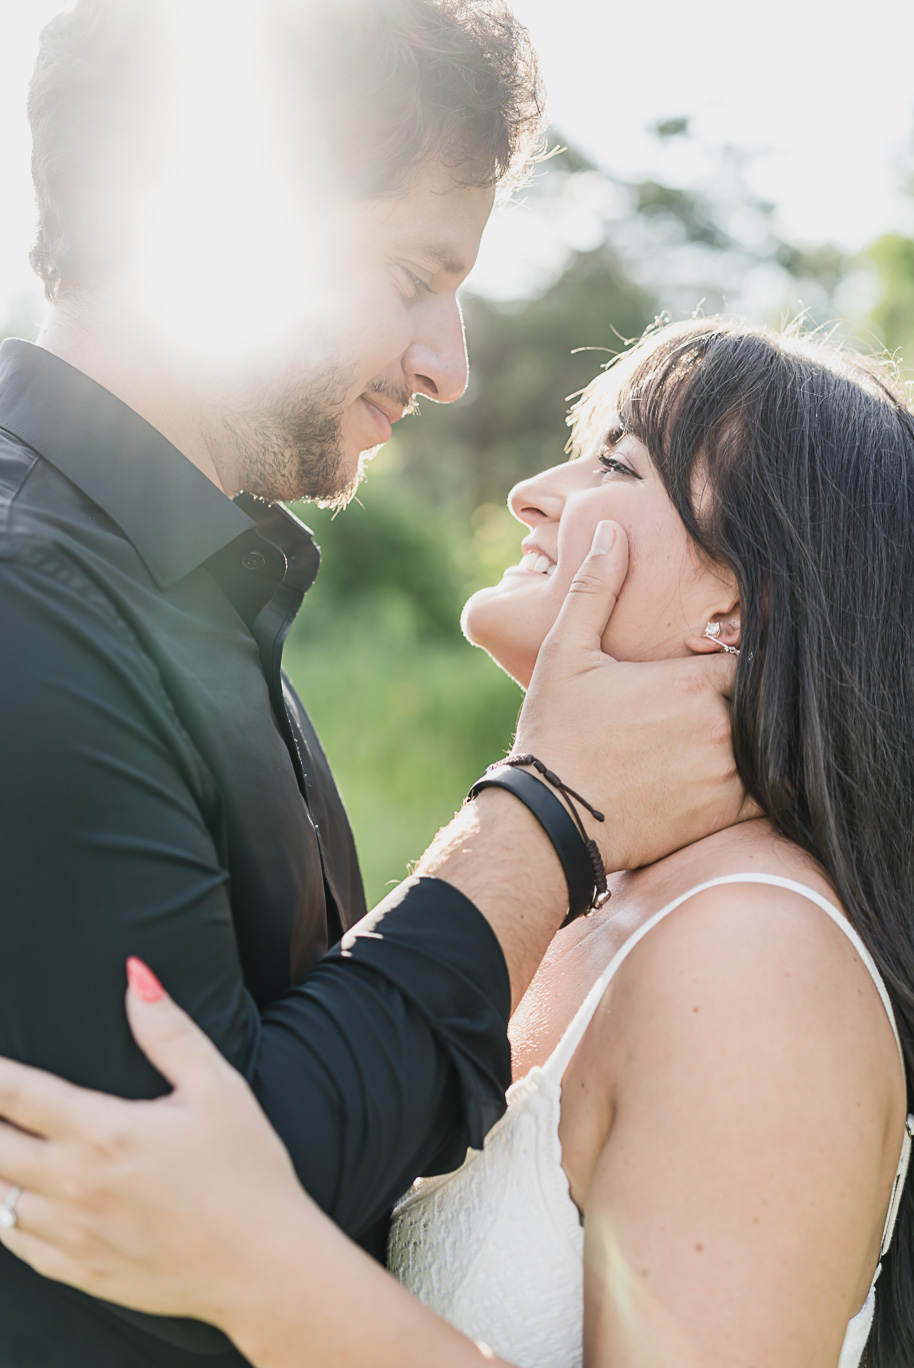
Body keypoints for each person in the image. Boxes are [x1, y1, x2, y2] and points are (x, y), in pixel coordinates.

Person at [0, 3, 744, 1364]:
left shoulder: (183, 591)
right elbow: (198, 1226)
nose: (445, 365)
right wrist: (550, 812)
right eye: (413, 270)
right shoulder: (28, 609)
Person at [0, 318, 911, 1368]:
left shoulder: (757, 957)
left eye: (614, 464)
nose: (531, 491)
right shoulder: (593, 904)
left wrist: (263, 1270)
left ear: (738, 605)